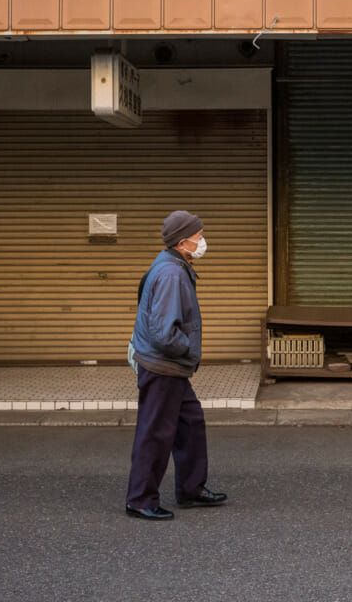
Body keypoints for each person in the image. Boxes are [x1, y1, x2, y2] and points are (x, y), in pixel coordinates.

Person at [125, 210, 227, 520]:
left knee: (190, 422)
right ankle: (140, 499)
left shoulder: (173, 264)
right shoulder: (171, 274)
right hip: (163, 365)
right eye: (199, 237)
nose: (203, 241)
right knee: (155, 431)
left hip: (170, 366)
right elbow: (164, 333)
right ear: (183, 242)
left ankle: (191, 488)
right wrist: (189, 351)